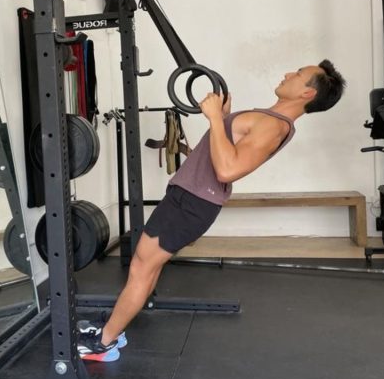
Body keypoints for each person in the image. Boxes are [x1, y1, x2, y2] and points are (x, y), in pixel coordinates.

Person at [77, 59, 346, 361]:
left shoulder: (274, 126)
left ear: (307, 94)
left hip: (192, 202)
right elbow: (229, 151)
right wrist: (225, 119)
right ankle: (114, 330)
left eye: (298, 74)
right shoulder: (271, 118)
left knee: (141, 267)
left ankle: (104, 343)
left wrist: (216, 119)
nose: (287, 73)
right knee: (148, 266)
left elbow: (228, 170)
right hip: (189, 198)